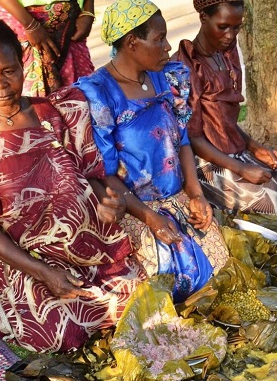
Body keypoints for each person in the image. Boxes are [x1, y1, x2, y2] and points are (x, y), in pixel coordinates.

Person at [0, 13, 146, 353]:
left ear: (22, 62)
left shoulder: (55, 111)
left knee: (136, 293)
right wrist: (42, 272)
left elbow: (88, 175)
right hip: (19, 254)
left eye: (8, 70)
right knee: (63, 331)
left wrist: (106, 200)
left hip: (83, 239)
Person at [76, 0, 229, 302]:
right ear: (132, 42)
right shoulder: (100, 93)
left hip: (176, 197)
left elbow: (182, 140)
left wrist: (196, 194)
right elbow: (105, 173)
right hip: (132, 205)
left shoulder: (168, 77)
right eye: (159, 39)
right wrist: (149, 217)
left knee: (218, 265)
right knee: (160, 281)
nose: (168, 47)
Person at [175, 0, 277, 216]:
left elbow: (226, 123)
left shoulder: (225, 54)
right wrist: (242, 169)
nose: (230, 35)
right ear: (203, 17)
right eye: (223, 27)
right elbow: (193, 138)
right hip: (205, 163)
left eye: (236, 27)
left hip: (234, 152)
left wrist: (255, 148)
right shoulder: (186, 66)